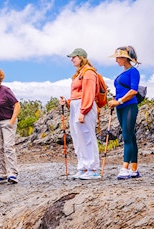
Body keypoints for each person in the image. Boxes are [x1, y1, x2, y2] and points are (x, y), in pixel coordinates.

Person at [59, 48, 101, 180]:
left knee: (87, 136)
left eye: (74, 57)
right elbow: (78, 94)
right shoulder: (80, 73)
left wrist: (83, 111)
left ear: (81, 57)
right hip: (76, 106)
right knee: (78, 137)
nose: (72, 59)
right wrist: (67, 102)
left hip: (84, 106)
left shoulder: (89, 73)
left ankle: (93, 168)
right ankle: (83, 167)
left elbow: (89, 93)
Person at [108, 46, 142, 179]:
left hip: (129, 106)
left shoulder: (133, 72)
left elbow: (133, 90)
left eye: (118, 57)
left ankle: (125, 168)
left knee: (127, 136)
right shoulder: (122, 74)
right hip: (120, 107)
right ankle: (134, 169)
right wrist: (115, 100)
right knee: (131, 136)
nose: (116, 60)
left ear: (125, 58)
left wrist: (119, 101)